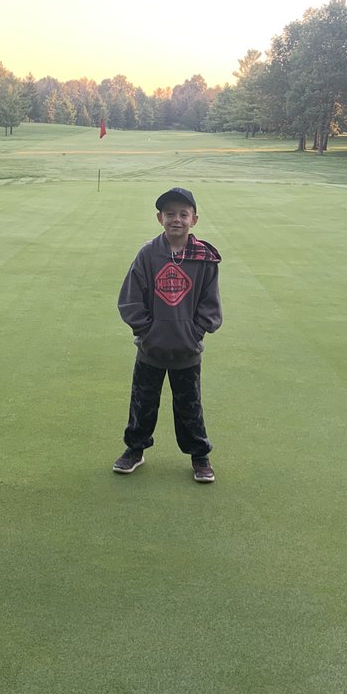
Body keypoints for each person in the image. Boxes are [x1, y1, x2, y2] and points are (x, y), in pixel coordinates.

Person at [114, 187, 223, 483]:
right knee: (143, 402)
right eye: (170, 214)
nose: (176, 219)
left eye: (183, 214)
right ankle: (134, 450)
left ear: (194, 219)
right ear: (160, 217)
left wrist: (195, 332)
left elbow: (209, 304)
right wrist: (146, 332)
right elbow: (130, 299)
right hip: (151, 348)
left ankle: (199, 456)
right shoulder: (148, 254)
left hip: (187, 350)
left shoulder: (204, 258)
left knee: (189, 406)